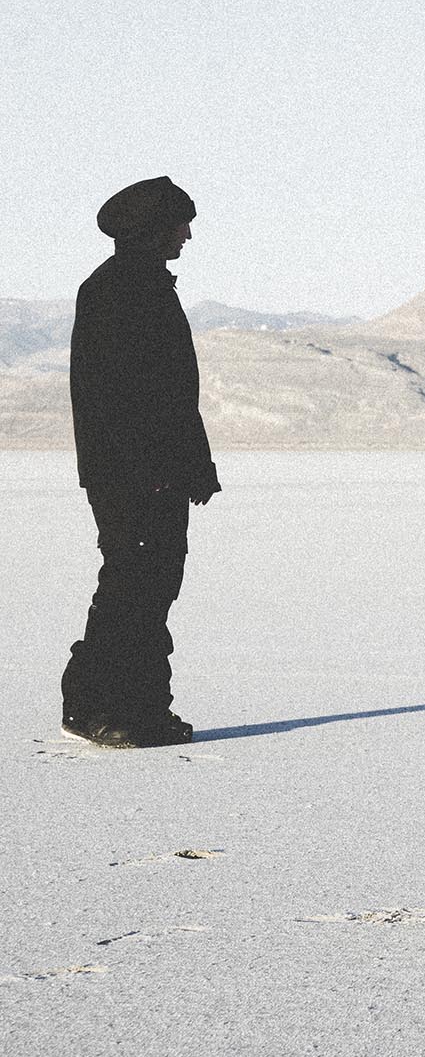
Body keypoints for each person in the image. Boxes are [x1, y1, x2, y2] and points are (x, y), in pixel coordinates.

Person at [61, 177, 221, 748]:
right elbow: (123, 397)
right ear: (153, 230)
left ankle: (143, 708)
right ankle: (94, 706)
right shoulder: (117, 290)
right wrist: (155, 470)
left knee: (151, 586)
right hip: (130, 473)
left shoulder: (144, 284)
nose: (188, 235)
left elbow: (172, 394)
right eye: (181, 224)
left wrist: (193, 466)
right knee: (131, 585)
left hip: (152, 471)